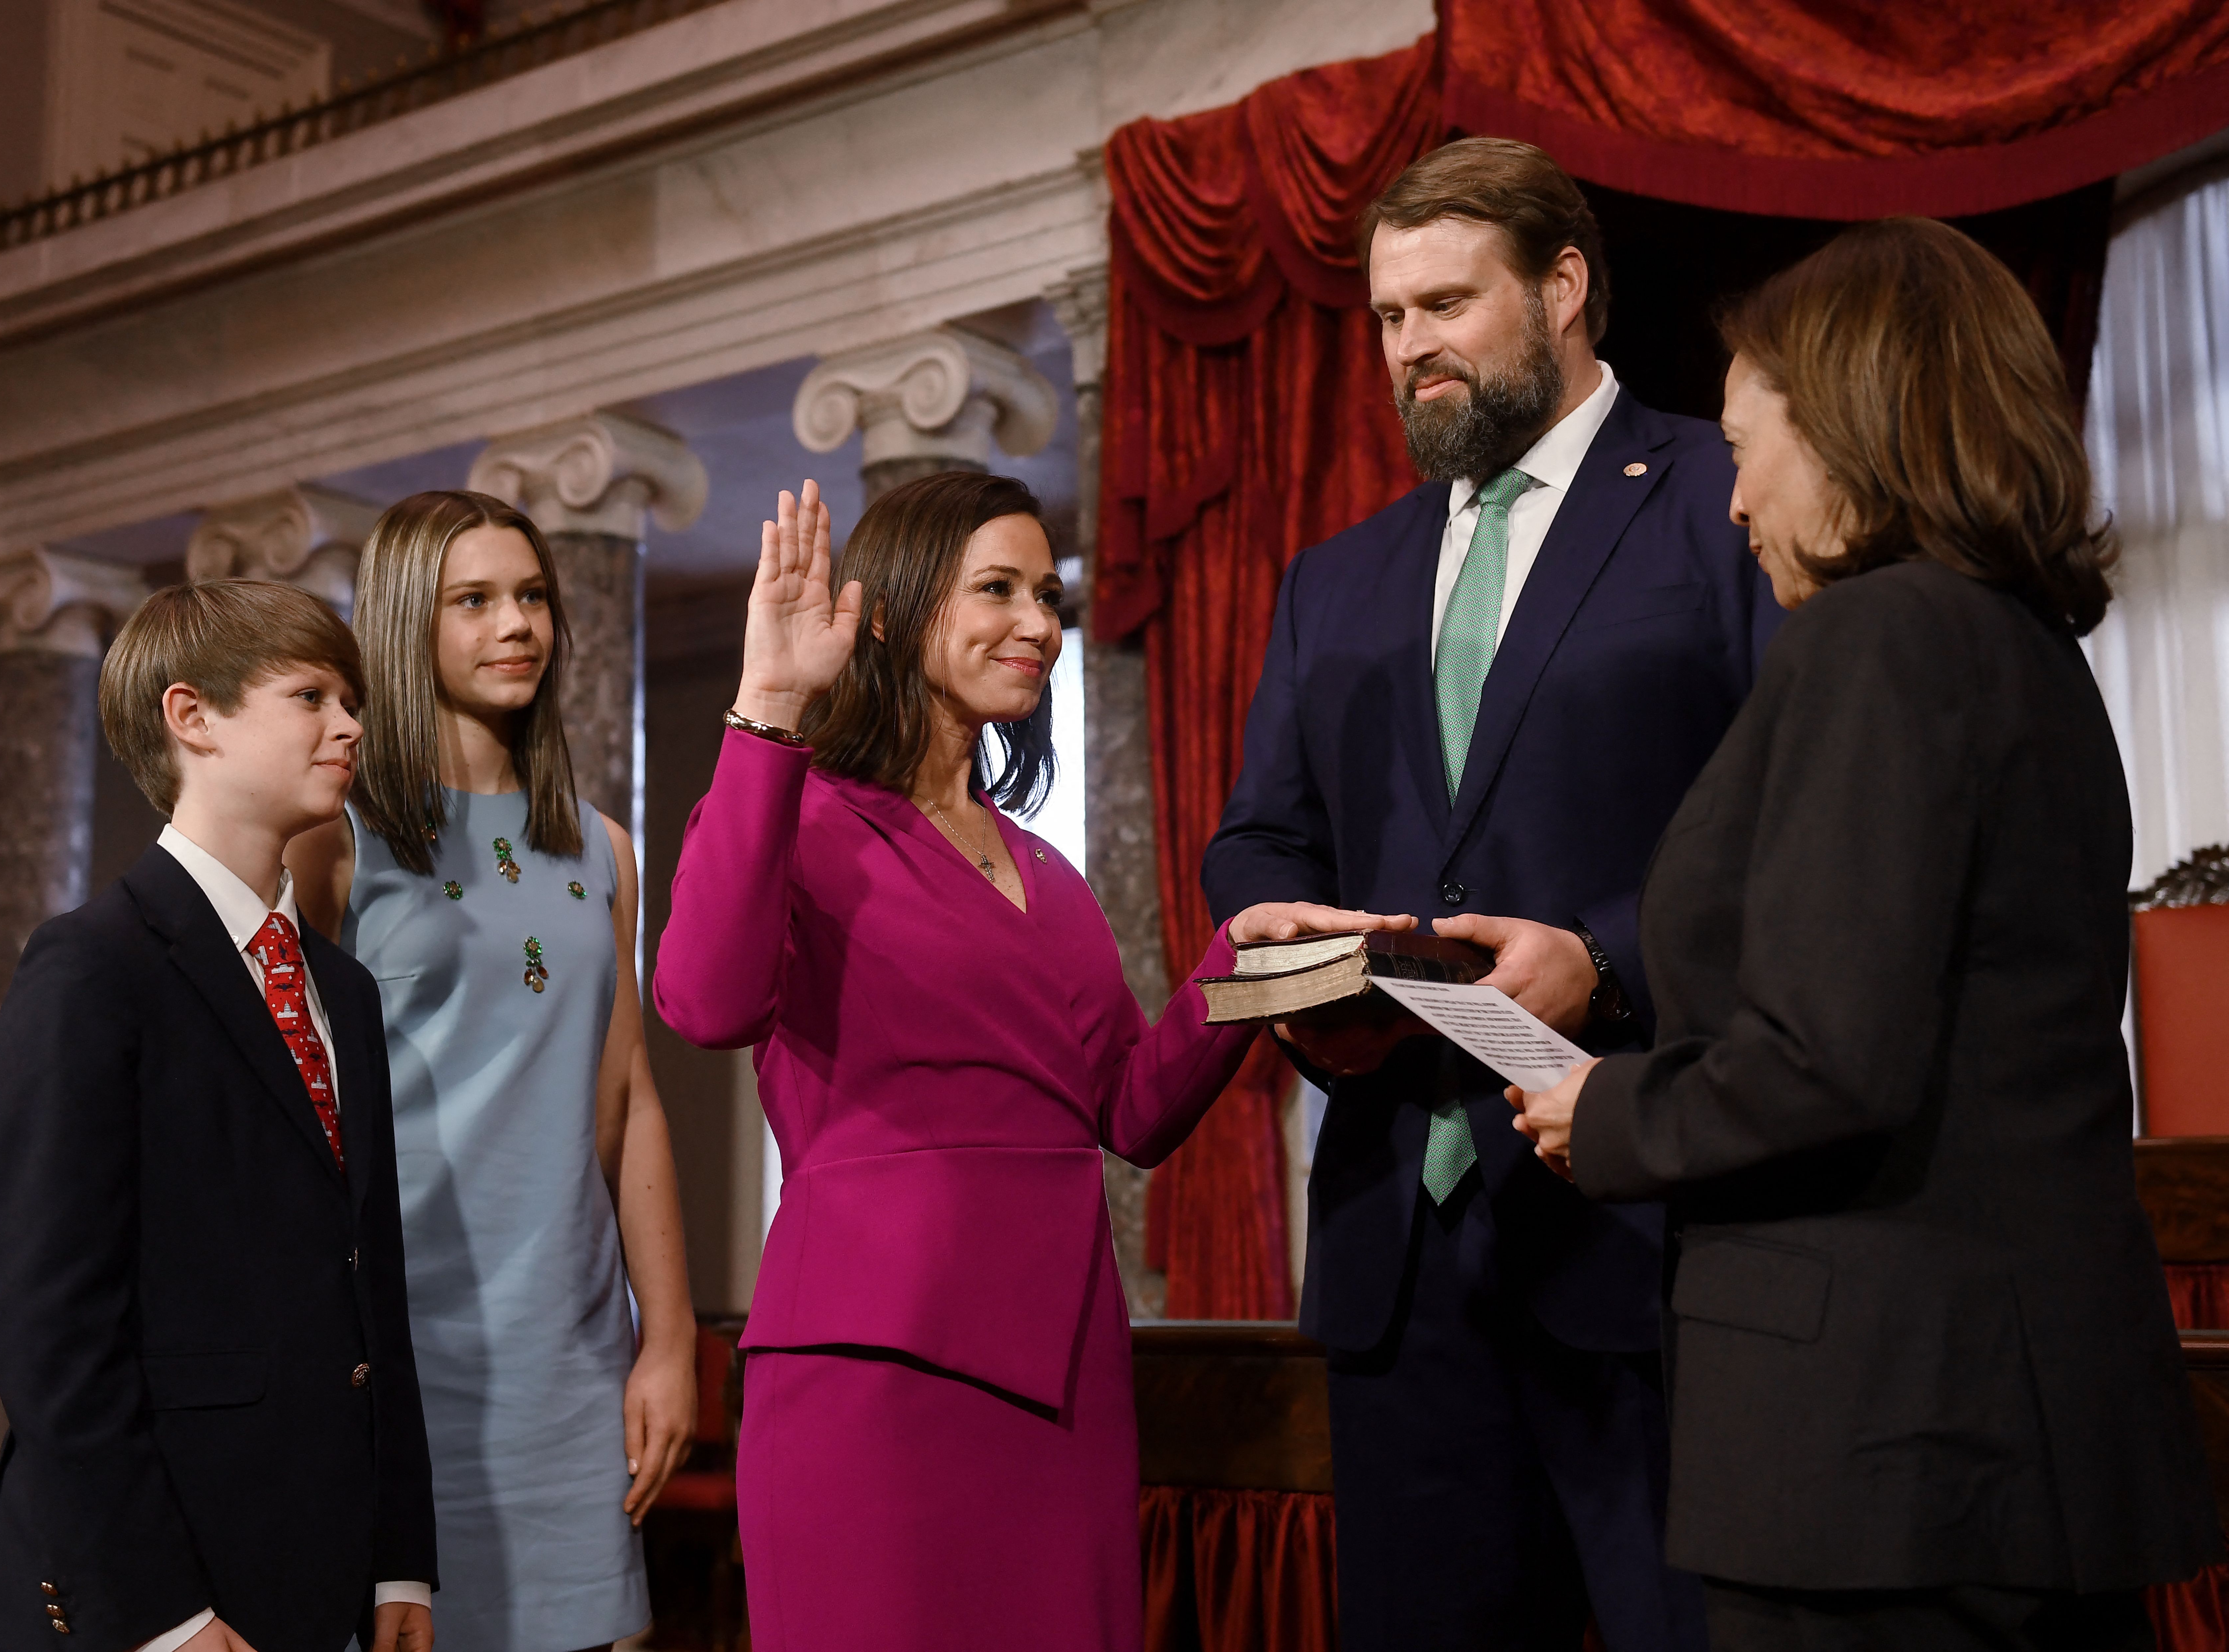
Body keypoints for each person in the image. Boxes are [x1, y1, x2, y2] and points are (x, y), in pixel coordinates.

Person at [1512, 217, 2224, 1651]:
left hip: (1880, 1446)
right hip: (2008, 1435)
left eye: (1739, 444)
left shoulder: (1873, 640)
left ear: (1844, 430)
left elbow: (1827, 1055)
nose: (1730, 502)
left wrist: (1606, 1111)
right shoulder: (2020, 649)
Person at [1201, 136, 1782, 1652]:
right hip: (1401, 1251)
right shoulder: (1331, 580)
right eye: (1388, 317)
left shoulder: (1726, 498)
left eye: (1446, 303)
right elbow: (1258, 842)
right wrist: (1291, 957)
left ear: (1565, 287)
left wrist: (1607, 957)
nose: (1410, 349)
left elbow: (1799, 832)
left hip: (1655, 1236)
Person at [654, 471, 1395, 1651]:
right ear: (891, 613)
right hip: (874, 1375)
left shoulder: (1043, 873)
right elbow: (702, 1003)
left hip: (1065, 1377)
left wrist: (1241, 966)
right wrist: (767, 707)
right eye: (995, 589)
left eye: (1046, 594)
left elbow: (1129, 1112)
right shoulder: (795, 811)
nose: (1039, 625)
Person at [0, 580, 435, 1652]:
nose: (352, 724)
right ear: (193, 718)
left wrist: (401, 1556)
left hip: (316, 1572)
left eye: (352, 697)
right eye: (311, 694)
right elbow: (52, 1331)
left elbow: (375, 1290)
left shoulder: (343, 991)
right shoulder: (91, 967)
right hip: (150, 1591)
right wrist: (161, 1614)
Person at [289, 490, 694, 1652]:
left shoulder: (602, 845)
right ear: (409, 622)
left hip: (568, 1367)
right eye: (474, 600)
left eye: (531, 597)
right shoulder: (338, 833)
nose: (516, 624)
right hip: (394, 1359)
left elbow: (630, 1100)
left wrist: (664, 1340)